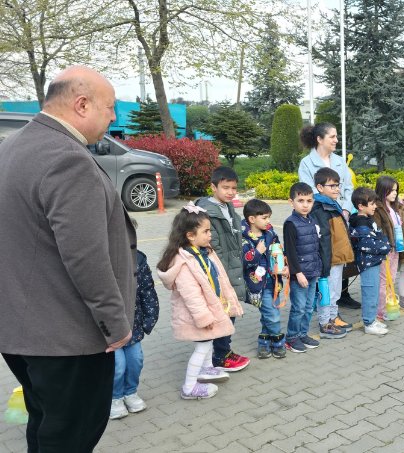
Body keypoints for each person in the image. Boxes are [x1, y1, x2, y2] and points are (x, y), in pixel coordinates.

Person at [0, 66, 136, 451]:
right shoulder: (67, 158)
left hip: (19, 331)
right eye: (109, 108)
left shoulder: (12, 145)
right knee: (71, 435)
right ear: (81, 104)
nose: (113, 117)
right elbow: (85, 256)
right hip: (68, 338)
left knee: (45, 424)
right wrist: (116, 325)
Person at [156, 204, 243, 400]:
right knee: (202, 346)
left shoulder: (203, 251)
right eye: (205, 231)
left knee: (209, 340)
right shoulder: (185, 261)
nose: (210, 235)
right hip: (198, 314)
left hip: (210, 308)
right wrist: (204, 317)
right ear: (190, 235)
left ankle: (207, 369)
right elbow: (191, 296)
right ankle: (189, 387)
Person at [298, 122, 361, 310]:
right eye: (332, 136)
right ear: (319, 139)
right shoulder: (307, 163)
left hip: (343, 215)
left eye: (336, 136)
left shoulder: (340, 160)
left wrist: (347, 209)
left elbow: (349, 188)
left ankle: (341, 295)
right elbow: (310, 192)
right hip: (322, 214)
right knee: (326, 257)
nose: (336, 140)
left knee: (341, 255)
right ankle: (324, 301)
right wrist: (332, 206)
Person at [195, 166, 250, 372]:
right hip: (220, 272)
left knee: (229, 313)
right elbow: (213, 248)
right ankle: (219, 356)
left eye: (234, 188)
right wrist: (223, 274)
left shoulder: (228, 208)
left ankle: (223, 351)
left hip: (232, 270)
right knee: (222, 314)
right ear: (213, 188)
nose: (230, 192)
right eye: (225, 187)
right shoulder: (207, 213)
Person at [110, 219, 160, 420]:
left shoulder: (138, 259)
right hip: (110, 329)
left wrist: (149, 319)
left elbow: (148, 291)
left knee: (135, 360)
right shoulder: (100, 262)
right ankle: (114, 397)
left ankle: (130, 392)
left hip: (133, 325)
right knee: (117, 364)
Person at [309, 167, 355, 338]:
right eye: (332, 186)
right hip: (328, 260)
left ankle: (333, 318)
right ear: (320, 187)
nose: (336, 189)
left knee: (335, 291)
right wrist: (324, 262)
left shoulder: (332, 204)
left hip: (337, 257)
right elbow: (322, 238)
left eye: (338, 185)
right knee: (327, 292)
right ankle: (325, 323)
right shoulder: (319, 208)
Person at [241, 199, 289, 359]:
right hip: (257, 284)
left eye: (269, 217)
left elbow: (278, 252)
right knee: (272, 314)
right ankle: (278, 342)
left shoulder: (270, 234)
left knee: (267, 314)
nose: (268, 221)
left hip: (274, 281)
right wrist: (257, 251)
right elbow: (245, 261)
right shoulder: (244, 238)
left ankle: (263, 342)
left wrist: (282, 267)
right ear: (252, 219)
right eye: (265, 218)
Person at [284, 182, 330, 352]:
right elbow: (290, 251)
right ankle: (292, 337)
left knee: (309, 306)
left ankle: (303, 334)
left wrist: (318, 269)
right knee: (299, 308)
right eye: (300, 200)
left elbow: (314, 247)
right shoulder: (291, 223)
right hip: (300, 275)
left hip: (313, 272)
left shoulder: (310, 220)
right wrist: (298, 273)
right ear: (291, 202)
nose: (305, 205)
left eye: (309, 201)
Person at [349, 188, 392, 335]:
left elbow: (379, 236)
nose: (375, 206)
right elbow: (369, 244)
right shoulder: (360, 223)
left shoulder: (367, 220)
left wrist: (383, 243)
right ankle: (368, 322)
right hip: (367, 263)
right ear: (361, 206)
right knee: (369, 292)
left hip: (373, 261)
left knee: (374, 291)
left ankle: (372, 319)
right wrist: (386, 246)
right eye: (372, 204)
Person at [372, 176, 404, 319]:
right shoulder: (377, 208)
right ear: (383, 191)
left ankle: (386, 308)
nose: (395, 193)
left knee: (391, 280)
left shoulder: (395, 207)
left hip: (396, 249)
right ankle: (379, 311)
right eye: (392, 191)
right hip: (385, 250)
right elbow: (378, 231)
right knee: (383, 280)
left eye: (396, 190)